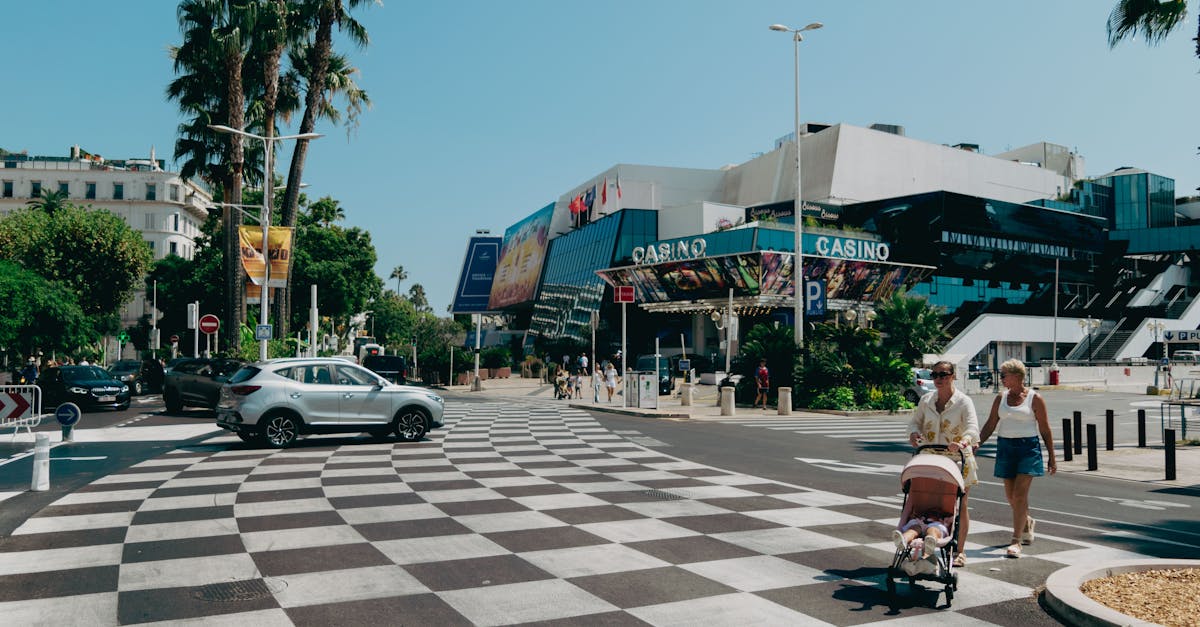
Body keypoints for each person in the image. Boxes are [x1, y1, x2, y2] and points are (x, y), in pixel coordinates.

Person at [978, 358, 1057, 558]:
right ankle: (1027, 521)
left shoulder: (1035, 398)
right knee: (1011, 497)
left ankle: (1016, 541)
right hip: (1005, 447)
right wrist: (975, 443)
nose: (1001, 378)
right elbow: (990, 424)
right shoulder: (1000, 398)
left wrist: (1052, 457)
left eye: (1004, 375)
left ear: (1017, 376)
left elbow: (1045, 429)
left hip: (1027, 448)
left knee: (1020, 495)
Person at [907, 360, 979, 567]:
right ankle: (925, 543)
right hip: (929, 457)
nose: (939, 379)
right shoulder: (927, 400)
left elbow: (973, 428)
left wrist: (964, 441)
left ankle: (960, 550)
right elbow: (915, 422)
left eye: (944, 375)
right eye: (935, 375)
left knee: (960, 504)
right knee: (927, 501)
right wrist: (913, 433)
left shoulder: (963, 401)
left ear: (953, 376)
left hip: (957, 459)